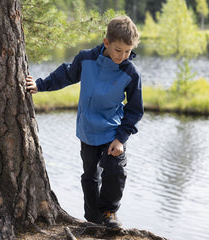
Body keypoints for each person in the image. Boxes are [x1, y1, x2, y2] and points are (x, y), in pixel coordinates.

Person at [26, 15, 144, 230]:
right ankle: (93, 220)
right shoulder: (86, 59)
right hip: (88, 131)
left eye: (127, 51)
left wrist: (121, 138)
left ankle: (110, 212)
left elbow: (135, 109)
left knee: (115, 170)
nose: (123, 56)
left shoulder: (130, 72)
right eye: (118, 50)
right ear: (106, 42)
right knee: (89, 177)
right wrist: (39, 85)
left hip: (113, 133)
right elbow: (65, 76)